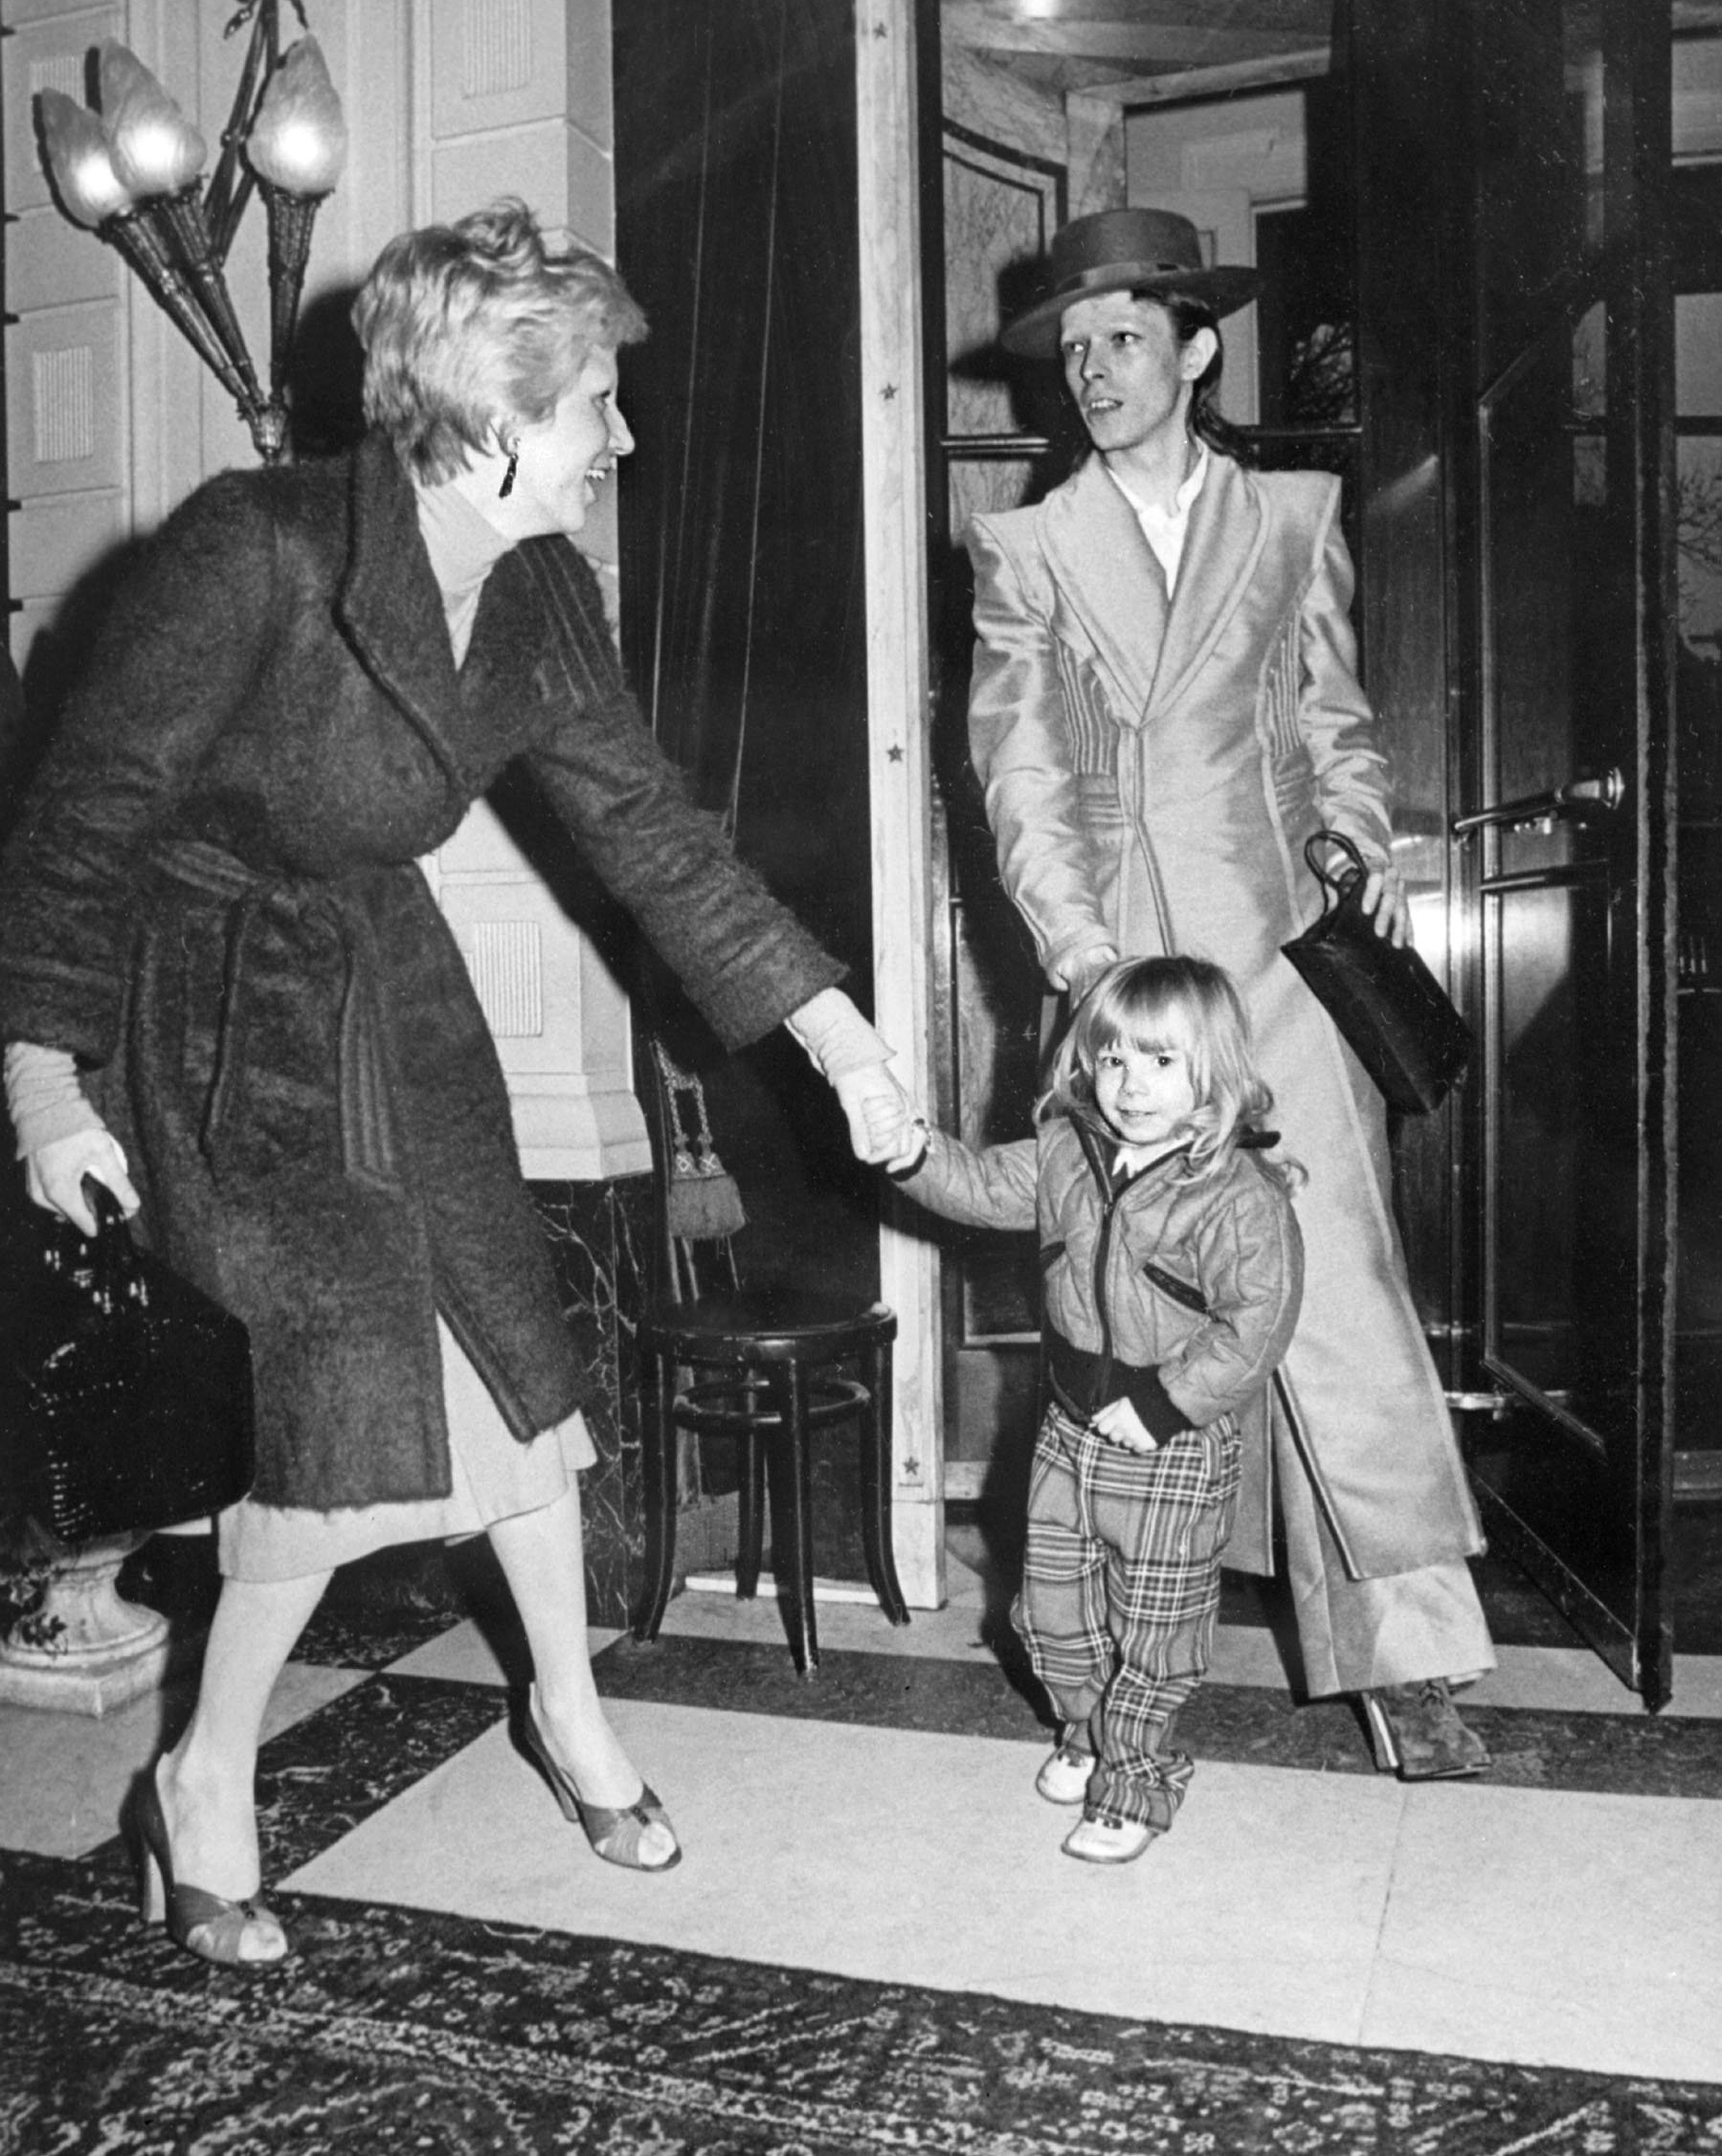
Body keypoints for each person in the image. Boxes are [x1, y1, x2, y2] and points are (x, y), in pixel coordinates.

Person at [0, 197, 915, 1967]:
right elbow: (82, 816)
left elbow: (651, 830)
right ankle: (203, 1779)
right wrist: (46, 1086)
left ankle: (562, 1710)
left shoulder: (541, 591)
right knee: (334, 1409)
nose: (620, 441)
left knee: (512, 1353)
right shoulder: (254, 548)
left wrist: (835, 1032)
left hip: (385, 991)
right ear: (497, 416)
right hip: (204, 1010)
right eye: (597, 408)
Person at [964, 206, 1495, 1780]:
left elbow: (1326, 718)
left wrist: (1352, 828)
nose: (1094, 370)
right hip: (1122, 984)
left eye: (1121, 338)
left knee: (1334, 1295)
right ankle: (1111, 1668)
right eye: (1072, 350)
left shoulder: (1287, 518)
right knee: (1129, 1309)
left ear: (1196, 351)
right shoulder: (1026, 547)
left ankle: (1405, 1661)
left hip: (1273, 969)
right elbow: (1015, 770)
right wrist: (1078, 957)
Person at [885, 956, 1303, 1862]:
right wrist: (912, 1152)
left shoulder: (1238, 1197)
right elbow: (982, 1185)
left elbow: (1256, 1324)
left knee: (1155, 1626)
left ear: (1216, 1072)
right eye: (1113, 1061)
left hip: (1169, 1443)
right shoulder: (1068, 1152)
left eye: (1162, 1063)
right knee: (1049, 1611)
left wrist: (1163, 1404)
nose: (1133, 1086)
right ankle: (1085, 1731)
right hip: (1068, 1428)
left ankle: (1134, 1781)